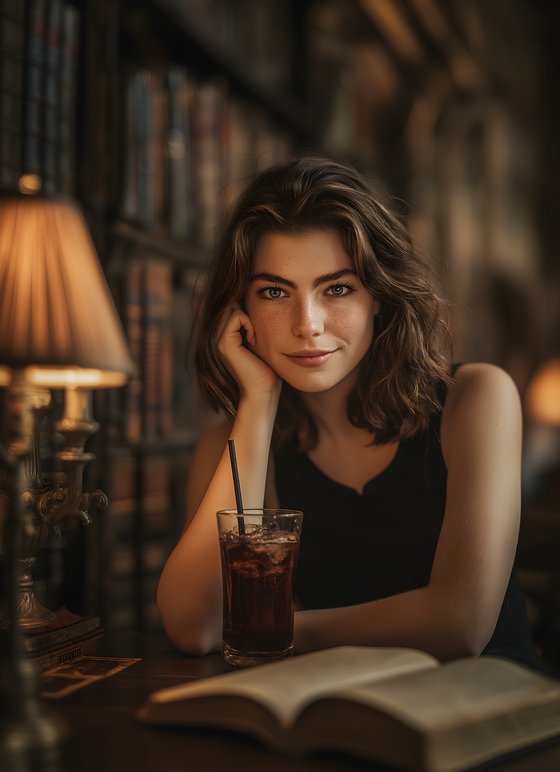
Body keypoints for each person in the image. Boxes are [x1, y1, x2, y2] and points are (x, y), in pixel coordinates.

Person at [157, 156, 540, 668]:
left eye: (336, 288)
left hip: (488, 720)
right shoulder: (232, 445)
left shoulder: (477, 399)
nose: (307, 324)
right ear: (241, 311)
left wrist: (272, 630)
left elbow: (461, 623)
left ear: (378, 295)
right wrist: (257, 406)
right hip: (342, 722)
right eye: (275, 292)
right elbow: (195, 626)